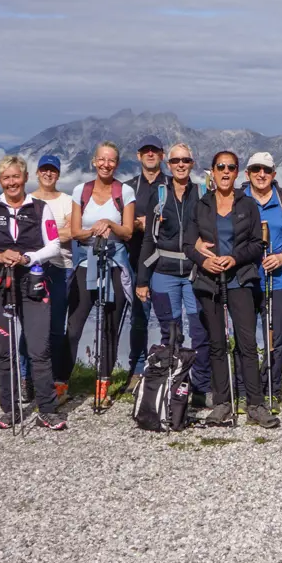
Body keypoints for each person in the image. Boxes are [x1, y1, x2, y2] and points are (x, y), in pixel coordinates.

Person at [0, 156, 67, 430]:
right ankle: (9, 410)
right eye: (5, 178)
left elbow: (54, 246)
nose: (11, 182)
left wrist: (28, 257)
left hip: (32, 283)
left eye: (16, 177)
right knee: (4, 351)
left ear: (24, 178)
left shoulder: (39, 208)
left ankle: (47, 410)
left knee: (39, 349)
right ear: (0, 181)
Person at [185, 151, 280, 429]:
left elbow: (256, 244)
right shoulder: (201, 205)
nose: (225, 172)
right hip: (209, 281)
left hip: (240, 280)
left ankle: (255, 404)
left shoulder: (247, 205)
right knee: (217, 344)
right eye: (220, 167)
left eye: (231, 167)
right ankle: (223, 403)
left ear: (237, 172)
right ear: (212, 172)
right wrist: (205, 260)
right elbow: (189, 245)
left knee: (247, 345)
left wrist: (234, 258)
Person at [135, 142, 211, 402]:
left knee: (200, 331)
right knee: (171, 333)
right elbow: (147, 239)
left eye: (186, 161)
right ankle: (172, 386)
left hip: (194, 273)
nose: (181, 165)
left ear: (192, 164)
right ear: (169, 165)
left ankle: (200, 387)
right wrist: (142, 279)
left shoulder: (201, 192)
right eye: (176, 161)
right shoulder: (159, 194)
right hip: (163, 272)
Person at [66, 141, 135, 407]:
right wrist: (97, 230)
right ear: (94, 161)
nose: (106, 165)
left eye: (111, 161)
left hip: (115, 264)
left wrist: (110, 224)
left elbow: (128, 231)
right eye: (102, 160)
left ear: (117, 164)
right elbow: (74, 231)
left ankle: (102, 384)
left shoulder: (124, 192)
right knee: (74, 326)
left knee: (109, 327)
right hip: (86, 263)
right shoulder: (80, 191)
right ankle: (61, 381)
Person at [241, 152, 282, 407]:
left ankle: (273, 389)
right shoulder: (239, 200)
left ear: (274, 174)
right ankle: (246, 389)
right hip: (245, 277)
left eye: (266, 170)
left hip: (277, 279)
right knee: (244, 336)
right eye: (256, 169)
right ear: (248, 173)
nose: (261, 174)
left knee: (273, 336)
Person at [23, 154, 75, 400]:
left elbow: (72, 231)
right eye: (44, 169)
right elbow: (23, 235)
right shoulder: (27, 200)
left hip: (61, 267)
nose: (48, 174)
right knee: (29, 326)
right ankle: (27, 378)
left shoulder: (67, 201)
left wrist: (41, 236)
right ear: (37, 173)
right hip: (31, 268)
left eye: (52, 170)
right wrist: (55, 232)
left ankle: (54, 379)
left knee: (56, 327)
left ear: (58, 174)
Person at [125, 136, 165, 386]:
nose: (150, 154)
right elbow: (123, 223)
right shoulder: (128, 188)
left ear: (162, 155)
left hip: (164, 261)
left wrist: (145, 223)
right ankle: (137, 369)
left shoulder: (171, 186)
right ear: (139, 156)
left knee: (166, 317)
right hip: (134, 258)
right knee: (138, 318)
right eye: (145, 151)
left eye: (155, 151)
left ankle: (165, 366)